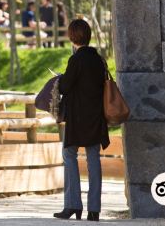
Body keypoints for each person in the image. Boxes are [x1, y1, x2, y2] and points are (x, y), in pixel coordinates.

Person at [54, 19, 109, 221]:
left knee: (69, 155)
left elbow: (65, 86)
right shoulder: (98, 59)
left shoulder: (76, 59)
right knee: (93, 158)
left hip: (77, 117)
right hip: (96, 117)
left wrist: (60, 78)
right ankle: (94, 210)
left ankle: (72, 205)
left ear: (72, 37)